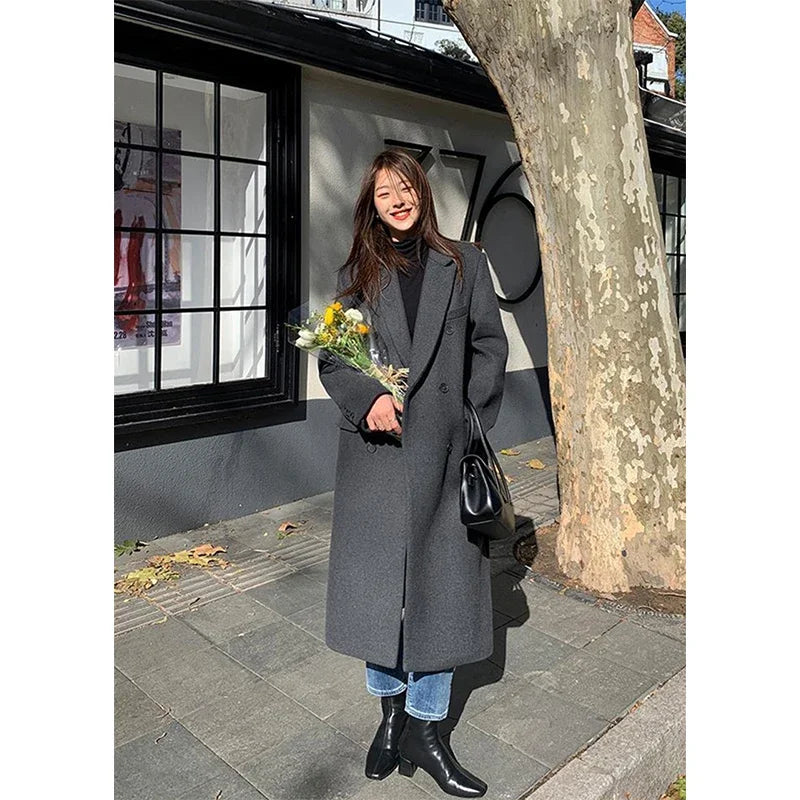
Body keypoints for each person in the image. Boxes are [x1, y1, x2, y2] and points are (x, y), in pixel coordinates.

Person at [318, 149, 508, 798]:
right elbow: (333, 352)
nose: (396, 200)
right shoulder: (360, 273)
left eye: (404, 188)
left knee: (442, 593)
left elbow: (489, 346)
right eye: (382, 194)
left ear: (421, 192)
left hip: (444, 456)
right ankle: (390, 718)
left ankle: (428, 731)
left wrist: (464, 417)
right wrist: (365, 397)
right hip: (377, 456)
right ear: (370, 207)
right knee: (379, 596)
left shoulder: (466, 263)